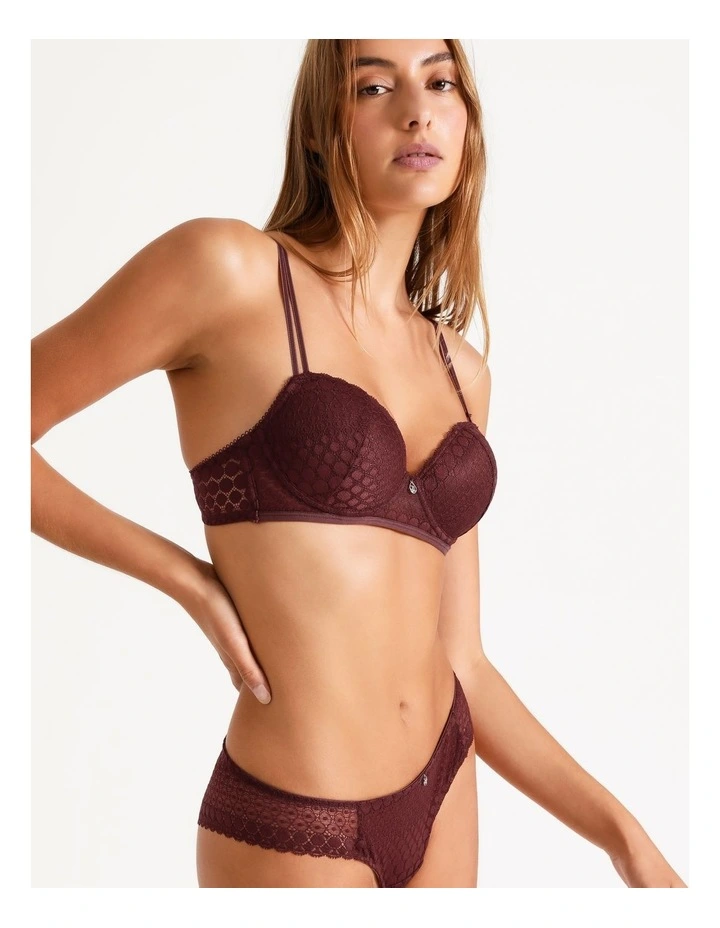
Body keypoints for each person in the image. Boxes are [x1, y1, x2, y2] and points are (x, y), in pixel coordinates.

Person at [30, 39, 686, 889]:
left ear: (467, 119)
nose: (416, 111)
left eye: (440, 82)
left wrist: (626, 840)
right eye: (374, 86)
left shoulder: (462, 372)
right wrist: (187, 580)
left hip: (444, 791)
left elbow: (464, 661)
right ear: (320, 127)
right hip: (296, 813)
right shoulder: (228, 273)